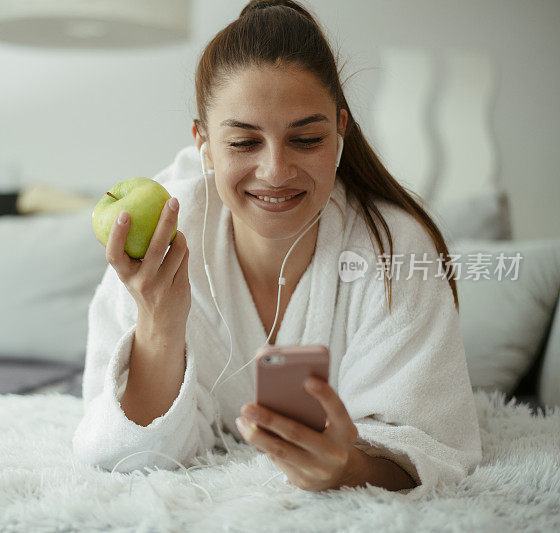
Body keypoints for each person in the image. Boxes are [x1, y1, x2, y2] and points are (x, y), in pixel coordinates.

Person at [73, 0, 482, 497]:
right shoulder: (165, 234)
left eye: (306, 139)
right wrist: (158, 320)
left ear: (340, 132)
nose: (275, 171)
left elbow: (430, 444)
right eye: (244, 143)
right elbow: (121, 453)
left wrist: (349, 468)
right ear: (203, 142)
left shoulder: (393, 249)